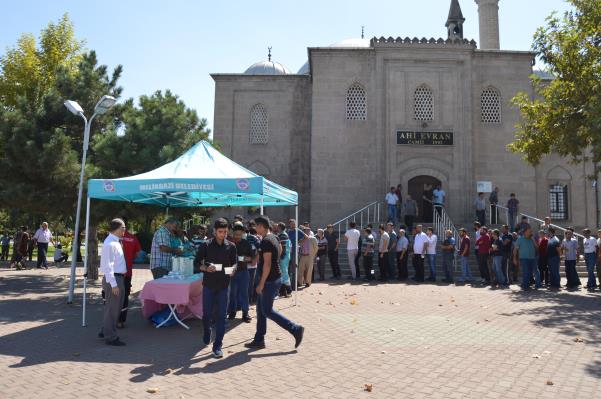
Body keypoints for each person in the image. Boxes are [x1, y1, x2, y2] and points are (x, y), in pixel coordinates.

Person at [245, 216, 304, 350]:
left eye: (256, 226)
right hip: (275, 278)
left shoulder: (266, 241)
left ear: (261, 226)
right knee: (261, 310)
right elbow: (280, 251)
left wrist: (261, 283)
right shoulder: (275, 237)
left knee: (267, 311)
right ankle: (259, 339)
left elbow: (267, 264)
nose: (255, 229)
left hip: (269, 281)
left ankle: (295, 329)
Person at [194, 218, 237, 358]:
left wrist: (233, 270)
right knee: (207, 314)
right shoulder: (206, 245)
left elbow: (235, 263)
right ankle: (206, 331)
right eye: (220, 232)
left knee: (222, 316)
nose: (223, 234)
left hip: (224, 285)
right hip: (209, 285)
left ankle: (217, 345)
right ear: (214, 231)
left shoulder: (231, 246)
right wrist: (205, 268)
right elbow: (196, 263)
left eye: (225, 232)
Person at [98, 218, 127, 346]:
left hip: (116, 278)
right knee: (113, 309)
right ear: (118, 228)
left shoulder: (114, 242)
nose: (125, 230)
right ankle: (110, 337)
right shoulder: (110, 243)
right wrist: (114, 284)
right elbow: (108, 266)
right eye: (123, 228)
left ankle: (105, 331)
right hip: (114, 279)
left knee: (113, 307)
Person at [228, 223, 257, 322]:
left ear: (242, 234)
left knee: (244, 293)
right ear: (232, 233)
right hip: (231, 272)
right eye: (235, 234)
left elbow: (253, 258)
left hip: (243, 271)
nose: (237, 237)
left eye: (239, 235)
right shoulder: (228, 243)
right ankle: (232, 312)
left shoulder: (246, 243)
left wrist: (246, 258)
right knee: (232, 293)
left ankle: (245, 313)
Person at [118, 221, 142, 328]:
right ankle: (121, 321)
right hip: (127, 272)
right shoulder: (133, 238)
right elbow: (137, 254)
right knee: (124, 297)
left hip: (114, 273)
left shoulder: (113, 238)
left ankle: (112, 319)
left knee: (113, 298)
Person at [514, 226, 541, 291]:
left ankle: (526, 284)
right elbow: (515, 249)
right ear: (525, 232)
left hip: (532, 258)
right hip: (524, 258)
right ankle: (525, 286)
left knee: (530, 272)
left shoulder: (532, 239)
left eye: (531, 231)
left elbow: (537, 248)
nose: (531, 233)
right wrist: (514, 258)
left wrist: (533, 240)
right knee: (526, 272)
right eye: (529, 232)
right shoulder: (520, 239)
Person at [287, 219, 305, 290]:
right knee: (288, 269)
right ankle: (288, 285)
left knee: (294, 269)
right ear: (289, 224)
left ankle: (294, 285)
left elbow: (306, 237)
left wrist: (300, 242)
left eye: (294, 224)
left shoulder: (298, 231)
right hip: (288, 252)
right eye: (291, 224)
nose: (293, 225)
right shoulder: (287, 231)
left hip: (295, 252)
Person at [275, 222, 292, 297]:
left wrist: (280, 257)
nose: (276, 228)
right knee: (282, 273)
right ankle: (283, 291)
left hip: (283, 257)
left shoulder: (283, 235)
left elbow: (283, 248)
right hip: (285, 256)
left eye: (277, 227)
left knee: (284, 273)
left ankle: (289, 290)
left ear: (280, 228)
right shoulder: (283, 234)